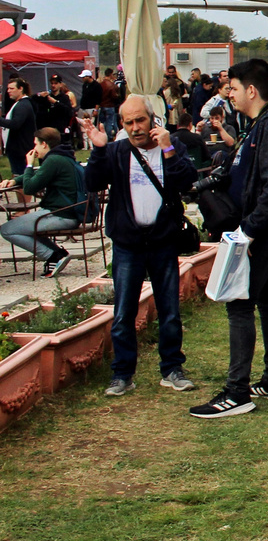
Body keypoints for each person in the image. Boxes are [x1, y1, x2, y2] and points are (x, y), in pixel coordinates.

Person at [188, 58, 268, 419]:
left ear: (252, 90)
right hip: (261, 229)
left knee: (239, 304)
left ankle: (237, 392)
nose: (229, 94)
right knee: (267, 301)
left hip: (260, 232)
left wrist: (248, 231)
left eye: (233, 88)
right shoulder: (261, 125)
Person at [83, 98, 198, 396]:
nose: (135, 128)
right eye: (129, 122)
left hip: (162, 241)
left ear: (152, 119)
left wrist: (169, 149)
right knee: (123, 312)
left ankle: (172, 369)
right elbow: (92, 183)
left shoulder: (170, 147)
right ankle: (122, 374)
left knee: (169, 309)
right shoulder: (117, 152)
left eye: (140, 121)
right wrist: (97, 149)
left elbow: (187, 180)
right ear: (122, 124)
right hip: (128, 244)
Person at [0, 128, 82, 276]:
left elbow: (30, 188)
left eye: (35, 144)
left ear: (44, 144)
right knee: (23, 227)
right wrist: (14, 180)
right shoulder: (62, 156)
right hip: (69, 212)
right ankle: (57, 253)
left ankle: (52, 256)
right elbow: (40, 174)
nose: (34, 148)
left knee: (7, 229)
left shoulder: (53, 160)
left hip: (61, 215)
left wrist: (29, 165)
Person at [1, 78, 38, 179]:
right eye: (8, 88)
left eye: (12, 88)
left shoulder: (23, 105)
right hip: (16, 149)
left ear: (20, 88)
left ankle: (26, 195)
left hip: (21, 150)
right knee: (18, 177)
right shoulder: (19, 104)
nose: (8, 91)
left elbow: (15, 123)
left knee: (21, 180)